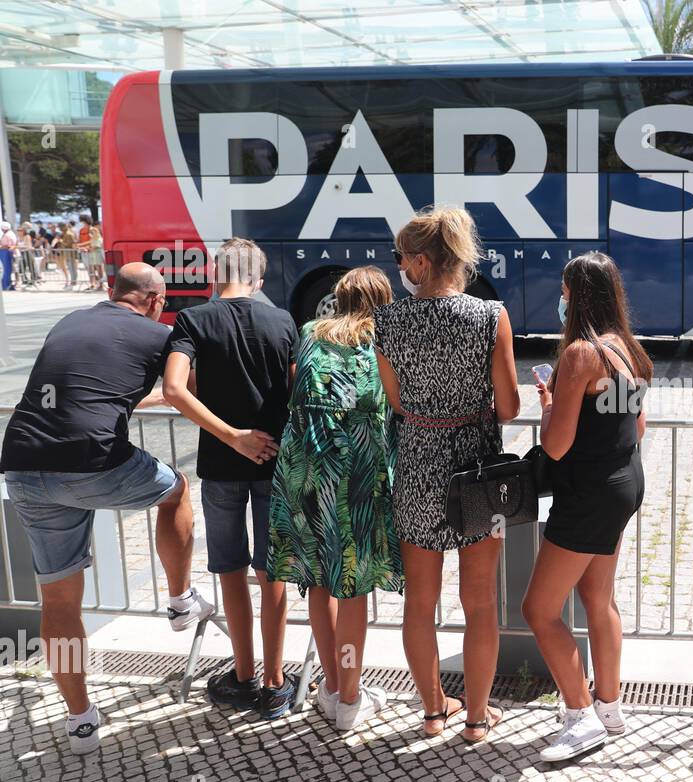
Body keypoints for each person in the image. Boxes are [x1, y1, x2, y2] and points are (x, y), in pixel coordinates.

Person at [0, 263, 214, 754]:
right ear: (156, 301)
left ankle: (79, 722)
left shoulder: (70, 319)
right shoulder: (161, 334)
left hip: (24, 465)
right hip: (94, 461)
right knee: (176, 489)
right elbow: (189, 390)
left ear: (111, 291)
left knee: (58, 604)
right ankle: (181, 602)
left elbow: (72, 385)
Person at [373, 206, 520, 743]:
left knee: (420, 601)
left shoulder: (386, 322)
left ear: (418, 261)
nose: (398, 268)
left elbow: (395, 402)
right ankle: (478, 719)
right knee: (480, 602)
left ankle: (434, 711)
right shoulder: (490, 317)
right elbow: (508, 407)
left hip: (416, 464)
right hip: (477, 468)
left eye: (400, 258)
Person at [162, 238, 300, 719]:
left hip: (220, 465)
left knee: (231, 569)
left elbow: (174, 389)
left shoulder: (193, 321)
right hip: (275, 461)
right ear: (259, 280)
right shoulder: (282, 320)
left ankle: (242, 676)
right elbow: (295, 388)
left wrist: (231, 435)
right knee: (272, 572)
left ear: (215, 274)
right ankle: (276, 684)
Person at [523, 251, 650, 763]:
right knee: (599, 599)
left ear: (576, 295)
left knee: (539, 608)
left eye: (564, 291)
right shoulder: (631, 351)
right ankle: (611, 705)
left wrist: (550, 404)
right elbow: (637, 427)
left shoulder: (579, 355)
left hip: (588, 493)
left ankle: (579, 717)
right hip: (623, 484)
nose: (561, 300)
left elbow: (555, 446)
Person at [269, 266, 403, 732]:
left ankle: (332, 687)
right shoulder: (381, 338)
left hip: (304, 466)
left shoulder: (310, 331)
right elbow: (393, 404)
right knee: (353, 585)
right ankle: (349, 698)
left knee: (319, 578)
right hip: (356, 470)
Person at [57, 223, 77, 288]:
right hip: (67, 253)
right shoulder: (66, 234)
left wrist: (61, 241)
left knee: (72, 267)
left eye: (61, 228)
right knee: (71, 267)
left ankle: (73, 281)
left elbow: (69, 244)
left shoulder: (69, 234)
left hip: (70, 253)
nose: (60, 229)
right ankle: (73, 280)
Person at [0, 221, 15, 290]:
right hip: (8, 253)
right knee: (8, 269)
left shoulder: (6, 235)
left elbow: (6, 246)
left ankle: (5, 285)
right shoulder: (11, 234)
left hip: (5, 253)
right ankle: (7, 284)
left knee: (5, 269)